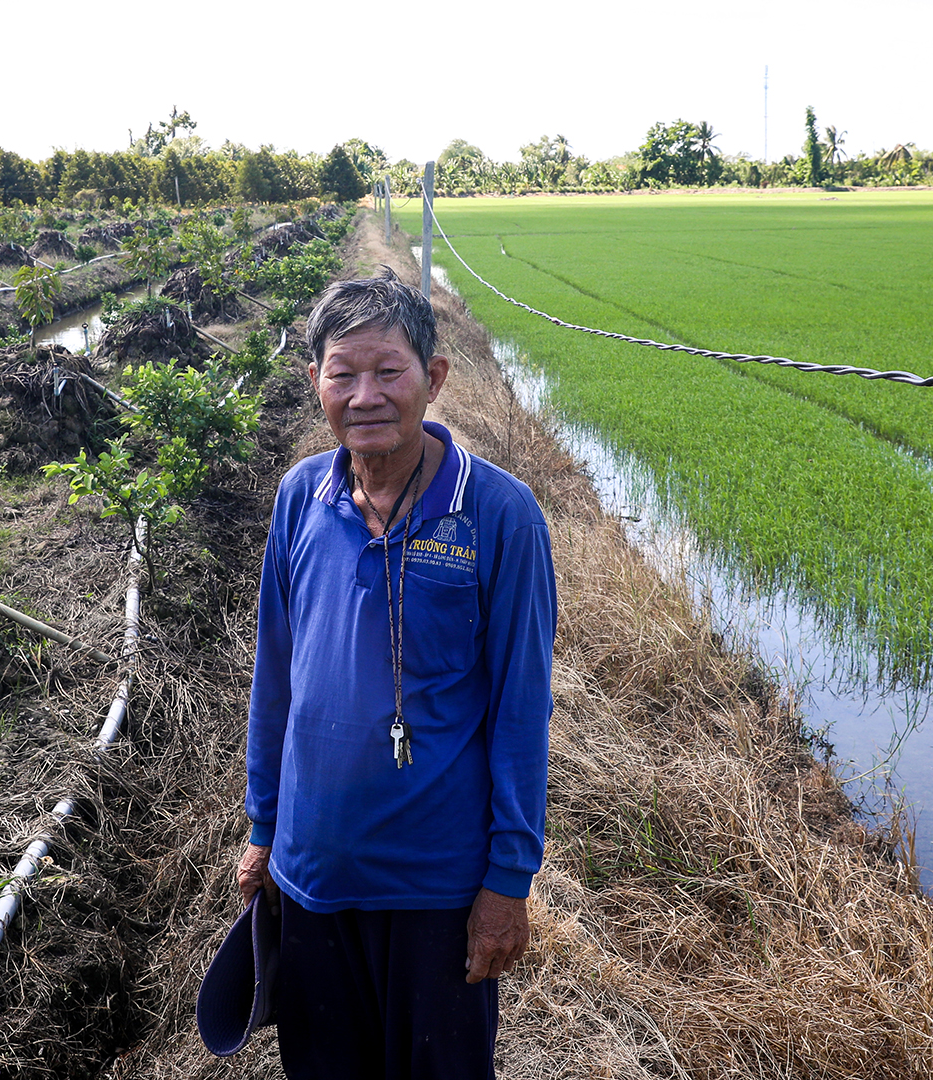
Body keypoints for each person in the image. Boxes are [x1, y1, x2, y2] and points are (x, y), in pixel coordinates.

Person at [239, 268, 557, 1078]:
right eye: (343, 374)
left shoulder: (499, 513)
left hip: (437, 892)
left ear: (434, 379)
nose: (366, 395)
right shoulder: (299, 496)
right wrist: (264, 828)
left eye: (389, 372)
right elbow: (276, 675)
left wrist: (508, 879)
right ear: (315, 382)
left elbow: (522, 708)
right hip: (313, 877)